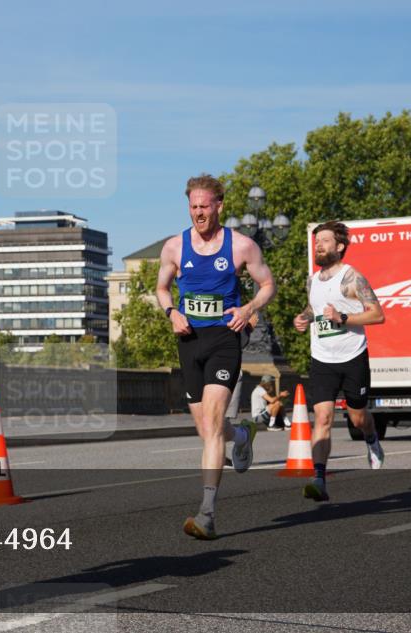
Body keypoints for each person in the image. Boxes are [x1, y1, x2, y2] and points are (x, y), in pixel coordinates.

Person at [156, 174, 275, 540]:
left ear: (219, 205)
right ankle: (241, 434)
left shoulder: (241, 246)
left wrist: (249, 307)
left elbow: (268, 283)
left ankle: (206, 513)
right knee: (207, 430)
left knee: (211, 420)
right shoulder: (175, 247)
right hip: (189, 341)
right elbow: (161, 288)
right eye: (193, 207)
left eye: (204, 206)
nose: (198, 213)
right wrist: (171, 312)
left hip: (224, 338)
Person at [293, 221, 386, 502]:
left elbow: (377, 315)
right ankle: (319, 479)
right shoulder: (312, 279)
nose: (318, 245)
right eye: (316, 241)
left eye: (324, 241)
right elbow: (315, 307)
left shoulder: (352, 278)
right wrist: (304, 317)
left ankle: (371, 440)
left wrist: (344, 318)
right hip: (322, 359)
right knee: (322, 418)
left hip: (352, 357)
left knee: (358, 417)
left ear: (340, 246)